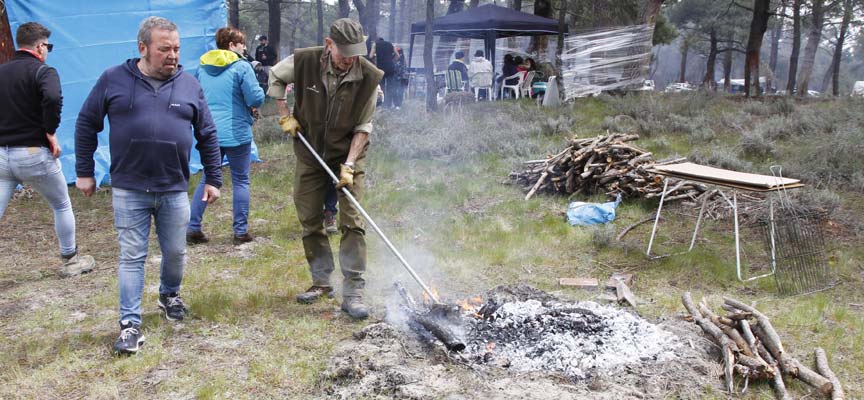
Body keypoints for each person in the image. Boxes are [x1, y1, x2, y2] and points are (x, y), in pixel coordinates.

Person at [75, 16, 223, 354]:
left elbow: (207, 133)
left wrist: (213, 178)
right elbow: (86, 123)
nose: (173, 55)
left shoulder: (189, 85)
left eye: (176, 49)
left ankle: (169, 295)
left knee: (175, 251)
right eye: (164, 49)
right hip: (129, 188)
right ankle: (130, 325)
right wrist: (84, 171)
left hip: (173, 187)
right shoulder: (113, 78)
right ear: (143, 47)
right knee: (132, 256)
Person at [268, 18, 383, 320]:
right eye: (345, 53)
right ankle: (321, 281)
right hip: (310, 153)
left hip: (348, 154)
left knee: (352, 221)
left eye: (355, 54)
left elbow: (364, 127)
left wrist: (349, 165)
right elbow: (276, 78)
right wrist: (285, 115)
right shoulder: (306, 61)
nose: (350, 60)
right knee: (310, 218)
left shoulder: (369, 77)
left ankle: (353, 291)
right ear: (329, 44)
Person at [0, 22, 95, 277]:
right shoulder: (44, 71)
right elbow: (52, 98)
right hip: (33, 153)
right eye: (48, 47)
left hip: (2, 155)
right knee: (61, 203)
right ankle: (70, 260)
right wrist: (50, 131)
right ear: (40, 47)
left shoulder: (2, 71)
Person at [187, 27, 265, 246]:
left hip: (209, 133)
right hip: (236, 133)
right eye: (242, 44)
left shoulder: (202, 68)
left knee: (207, 178)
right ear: (231, 45)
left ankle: (193, 227)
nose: (244, 48)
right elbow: (256, 98)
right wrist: (259, 87)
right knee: (241, 180)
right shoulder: (242, 66)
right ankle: (240, 231)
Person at [374, 37, 398, 108]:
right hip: (390, 68)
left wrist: (374, 63)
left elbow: (371, 55)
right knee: (390, 86)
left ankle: (382, 104)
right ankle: (389, 104)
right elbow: (397, 55)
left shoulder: (376, 45)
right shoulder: (390, 44)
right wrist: (393, 62)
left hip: (380, 68)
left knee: (382, 86)